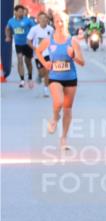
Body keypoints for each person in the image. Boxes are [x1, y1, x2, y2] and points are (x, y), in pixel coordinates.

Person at [35, 10, 84, 150]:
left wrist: (73, 55)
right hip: (55, 77)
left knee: (67, 109)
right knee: (59, 102)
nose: (60, 23)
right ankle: (55, 117)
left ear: (66, 23)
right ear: (54, 23)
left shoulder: (72, 41)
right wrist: (46, 64)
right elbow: (38, 51)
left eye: (62, 21)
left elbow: (82, 62)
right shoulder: (49, 40)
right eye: (57, 21)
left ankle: (64, 138)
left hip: (70, 78)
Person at [6, 4, 35, 87]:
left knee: (28, 61)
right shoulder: (11, 21)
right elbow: (8, 28)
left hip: (27, 44)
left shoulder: (28, 21)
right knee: (19, 60)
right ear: (15, 12)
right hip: (18, 44)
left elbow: (35, 29)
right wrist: (8, 36)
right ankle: (22, 80)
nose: (21, 13)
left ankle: (30, 77)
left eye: (22, 12)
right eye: (20, 12)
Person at [26, 11, 54, 96]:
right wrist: (35, 48)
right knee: (42, 72)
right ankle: (39, 75)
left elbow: (54, 41)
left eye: (45, 18)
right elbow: (28, 41)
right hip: (38, 55)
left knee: (47, 71)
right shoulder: (34, 29)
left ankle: (46, 90)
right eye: (42, 18)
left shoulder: (51, 29)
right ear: (38, 20)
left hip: (48, 54)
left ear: (47, 20)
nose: (44, 20)